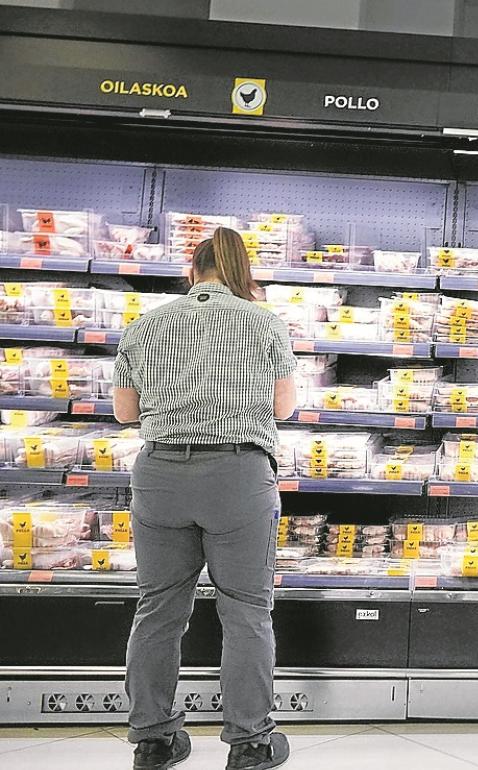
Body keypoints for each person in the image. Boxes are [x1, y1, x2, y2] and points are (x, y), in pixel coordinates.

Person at [114, 227, 298, 770]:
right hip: (237, 478)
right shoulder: (264, 322)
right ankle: (250, 743)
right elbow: (283, 407)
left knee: (158, 611)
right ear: (244, 277)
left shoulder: (145, 325)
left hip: (161, 477)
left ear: (192, 274)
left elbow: (126, 413)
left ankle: (154, 738)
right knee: (246, 613)